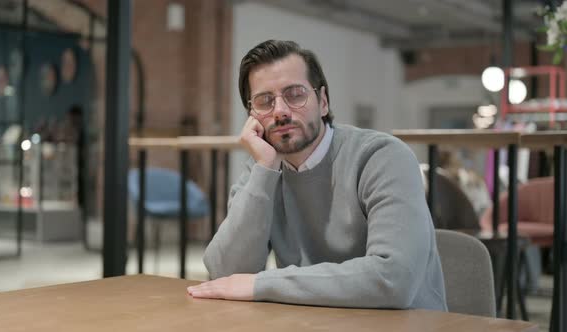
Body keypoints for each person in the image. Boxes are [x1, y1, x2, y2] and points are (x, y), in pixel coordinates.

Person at [187, 40, 447, 310]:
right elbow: (225, 273)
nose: (280, 111)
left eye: (295, 94)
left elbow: (393, 279)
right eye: (265, 101)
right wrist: (264, 170)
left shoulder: (382, 157)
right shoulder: (262, 171)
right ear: (252, 116)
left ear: (323, 102)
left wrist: (261, 284)